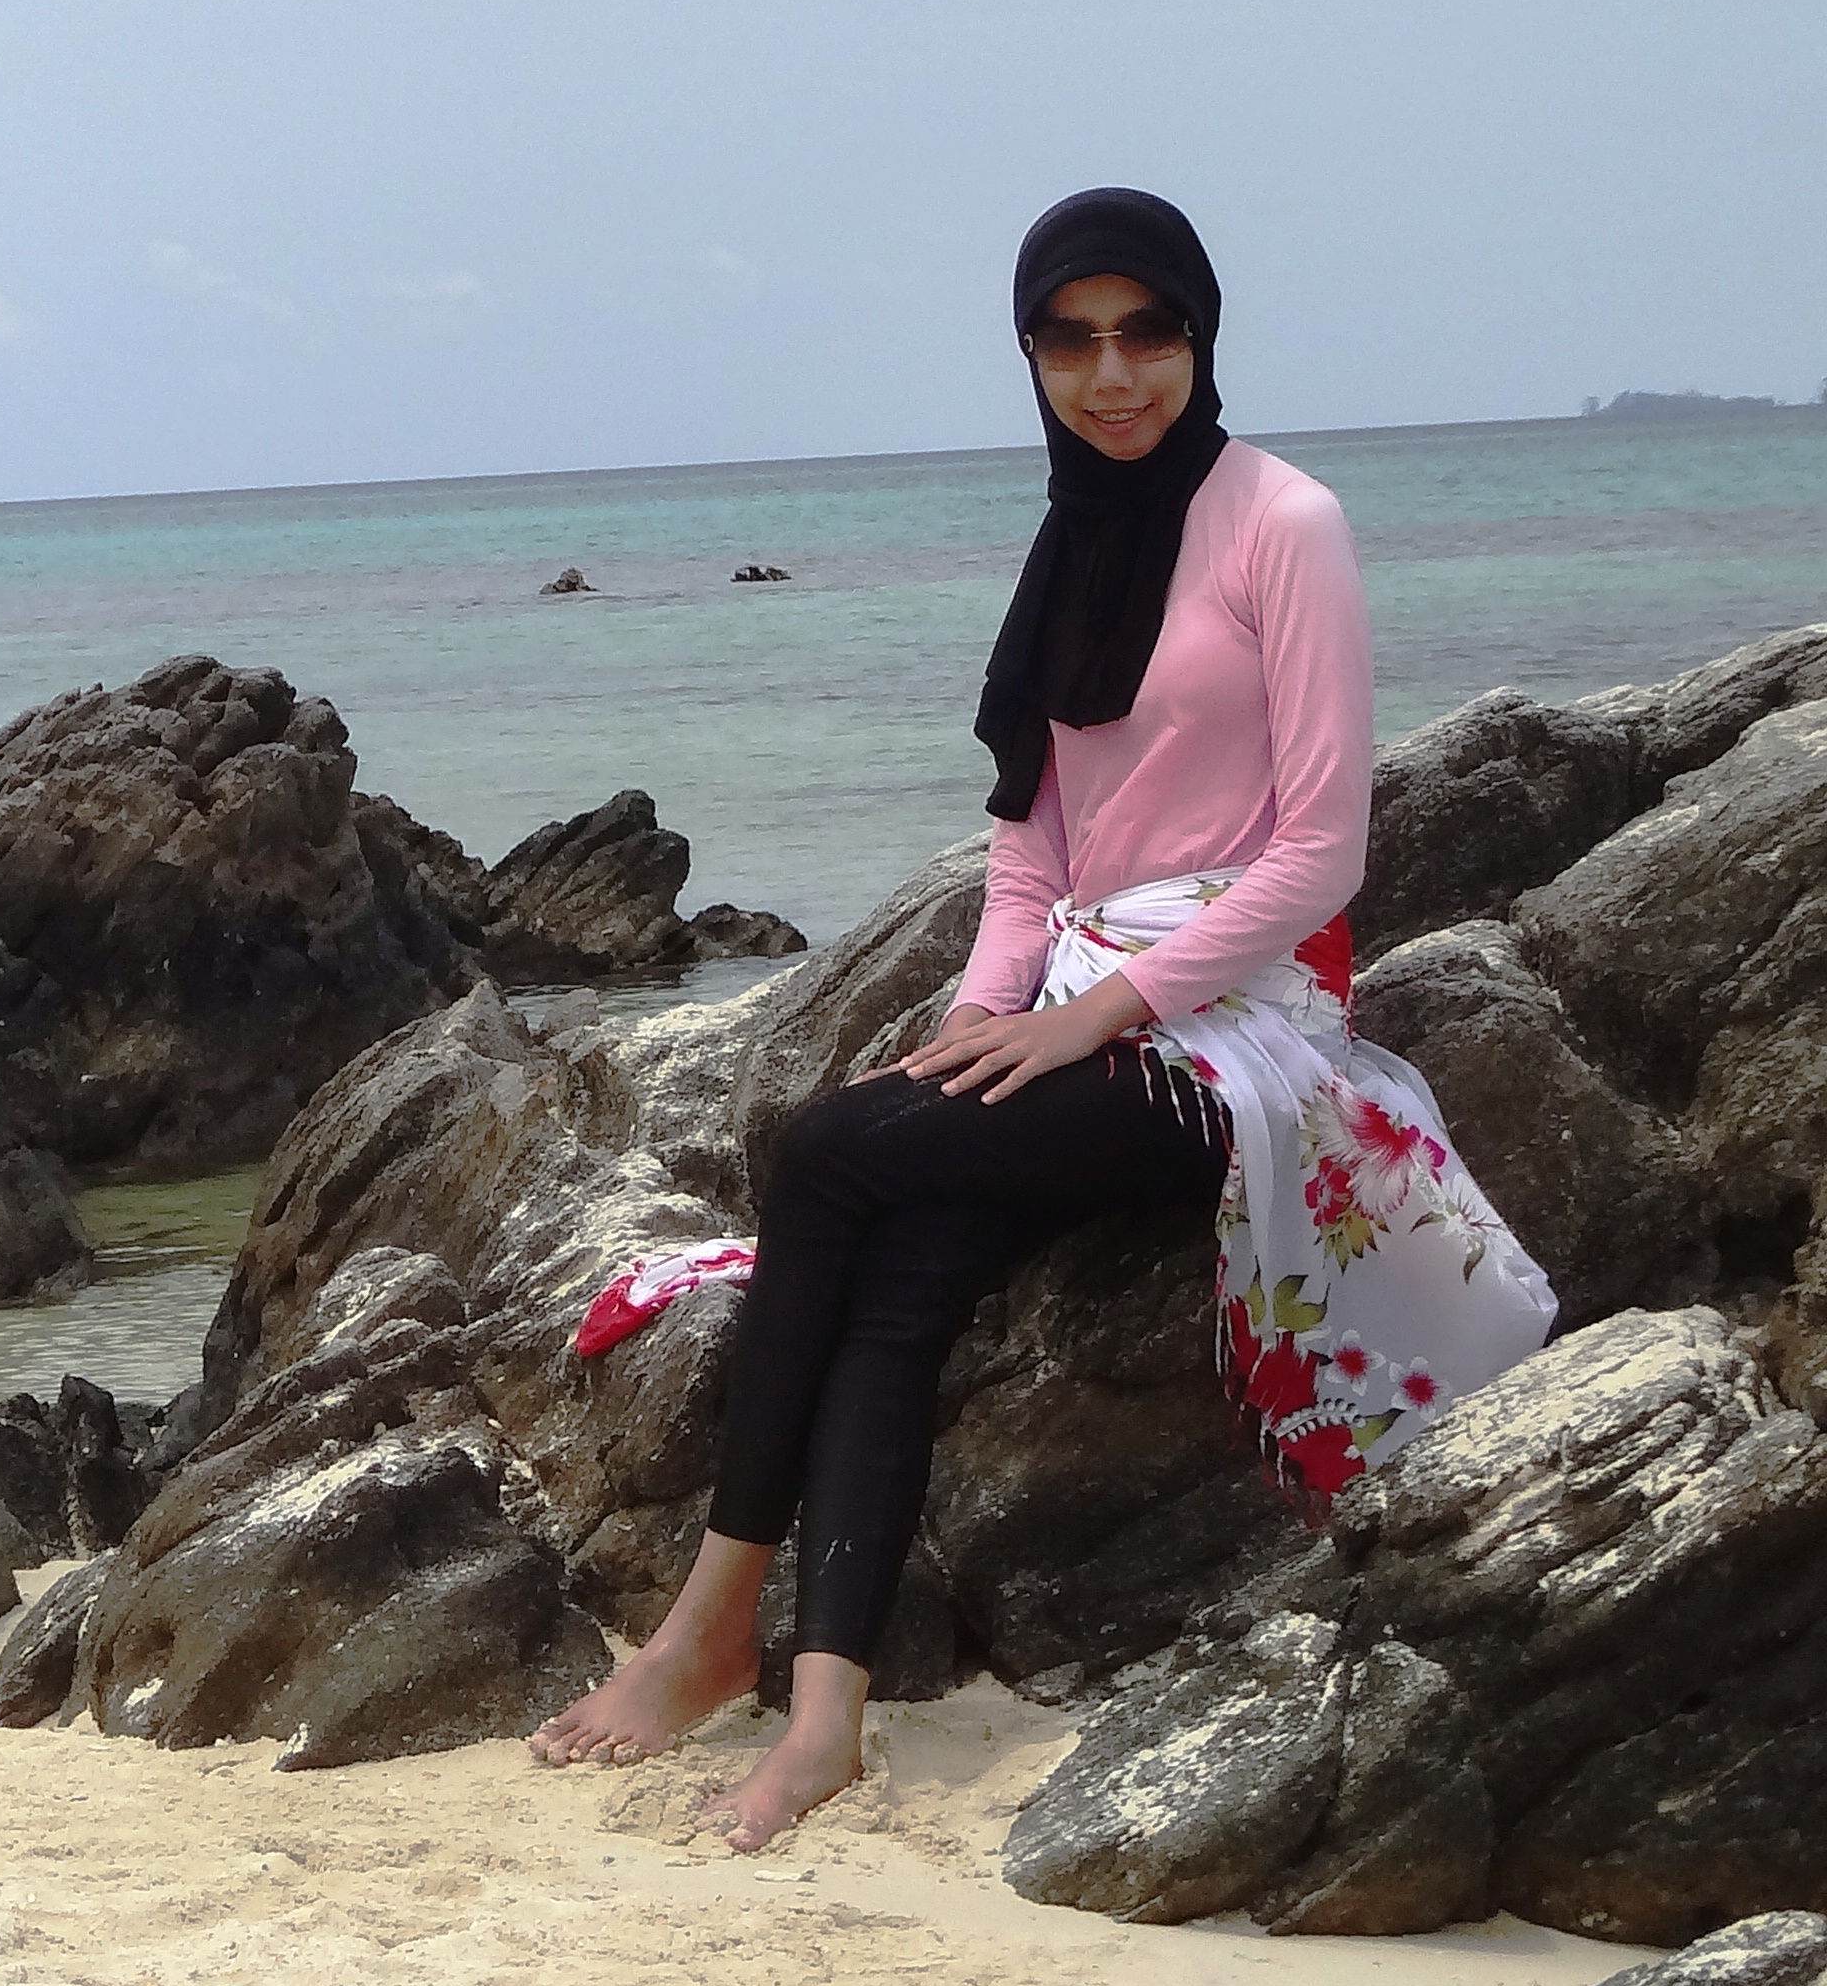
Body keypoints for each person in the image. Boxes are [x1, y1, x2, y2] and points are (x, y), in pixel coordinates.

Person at [530, 188, 1553, 1850]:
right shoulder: (1073, 539)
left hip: (1245, 1034)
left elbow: (1323, 851)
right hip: (1086, 995)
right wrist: (980, 1020)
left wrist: (1102, 1019)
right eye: (1069, 342)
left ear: (1200, 337)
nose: (1112, 375)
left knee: (827, 1155)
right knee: (905, 1254)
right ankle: (824, 1709)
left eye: (1146, 334)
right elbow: (1032, 853)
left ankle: (706, 1627)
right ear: (1031, 356)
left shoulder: (1284, 523)